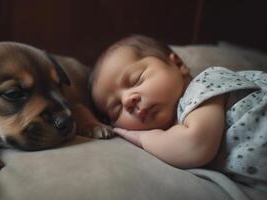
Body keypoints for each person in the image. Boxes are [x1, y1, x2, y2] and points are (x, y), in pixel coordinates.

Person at [90, 35, 267, 190]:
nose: (128, 100)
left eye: (136, 80)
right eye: (116, 109)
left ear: (178, 64)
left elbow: (195, 146)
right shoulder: (174, 132)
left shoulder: (206, 83)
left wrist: (142, 138)